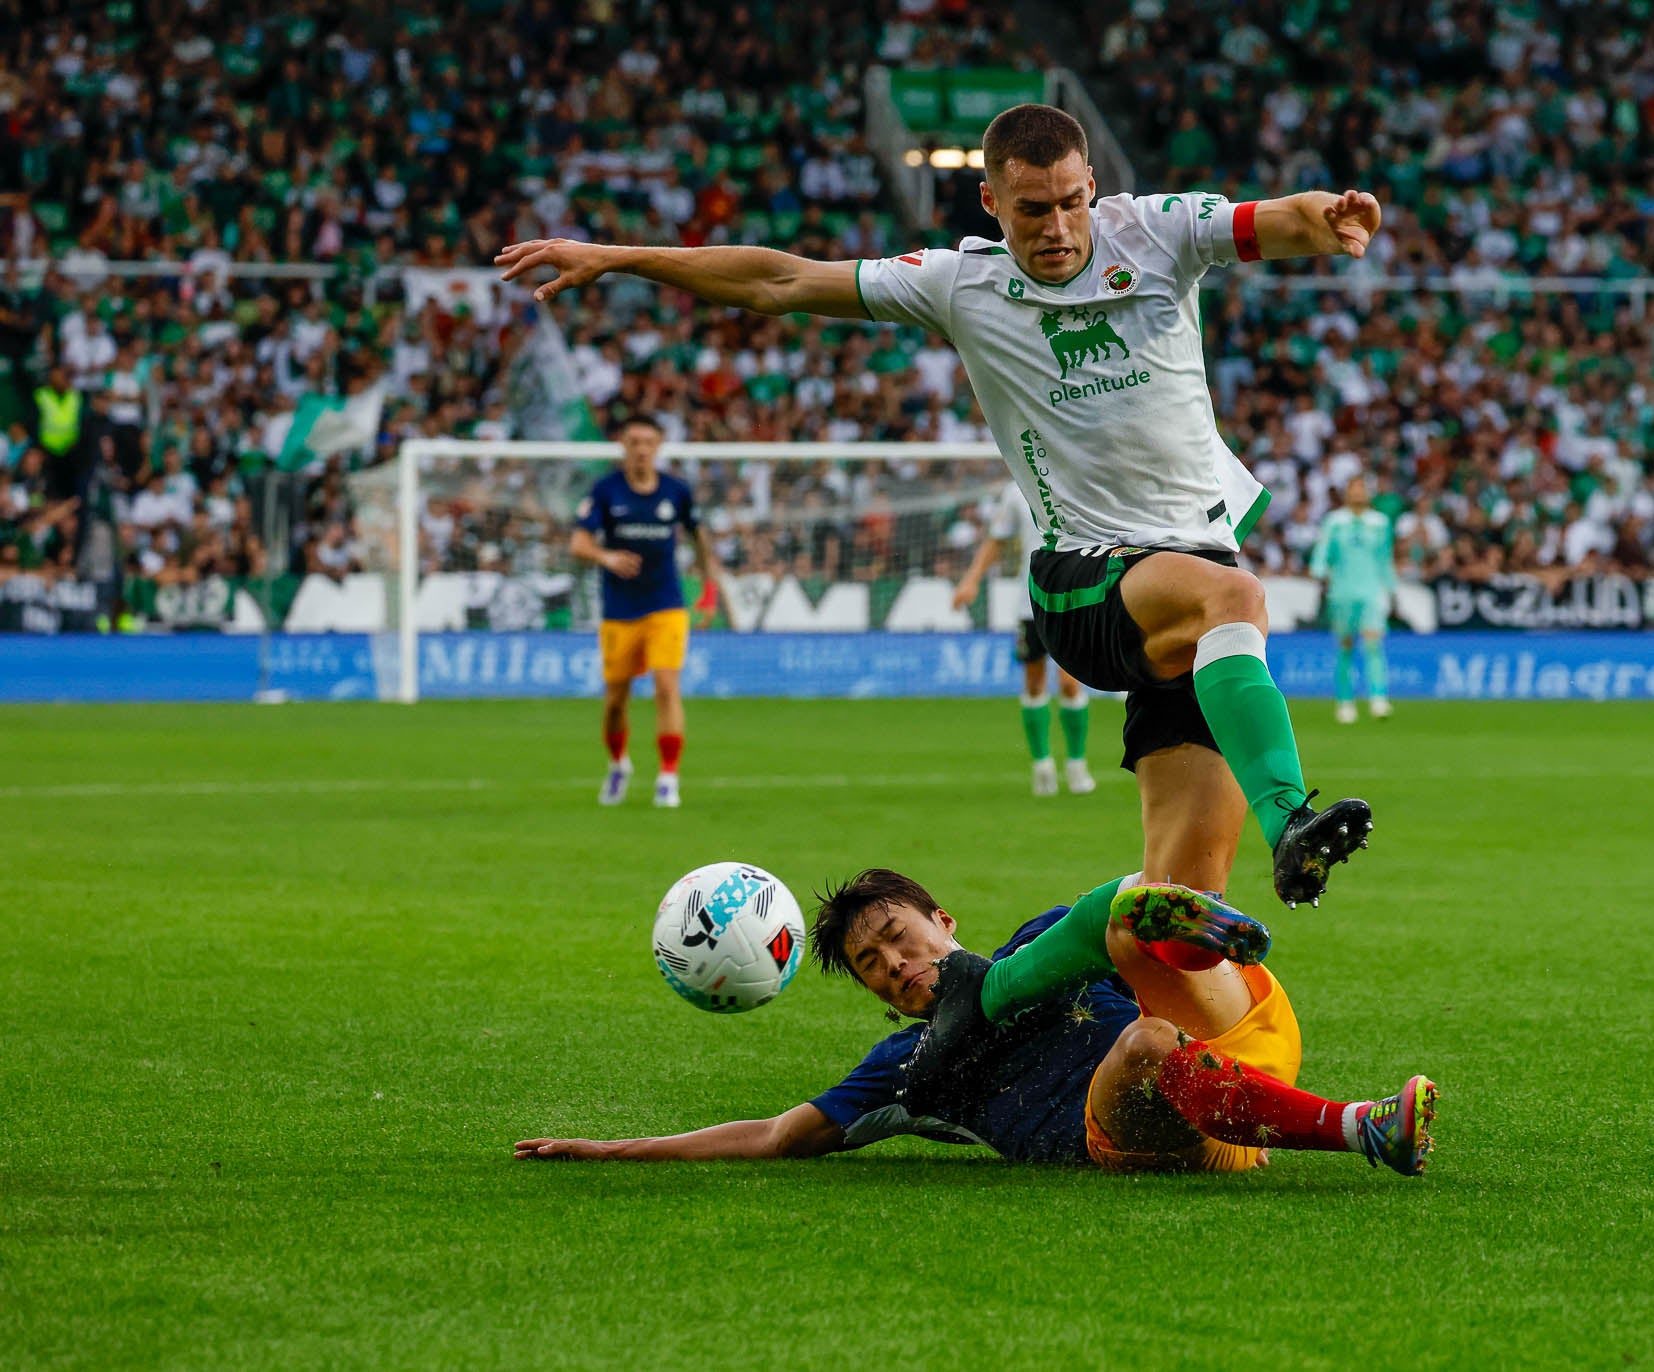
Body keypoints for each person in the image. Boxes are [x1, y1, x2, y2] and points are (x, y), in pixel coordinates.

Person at [499, 104, 1382, 908]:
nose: (1059, 226)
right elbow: (779, 281)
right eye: (1032, 209)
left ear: (1094, 188)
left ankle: (1056, 1020)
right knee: (1238, 598)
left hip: (1188, 591)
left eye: (1072, 202)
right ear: (991, 203)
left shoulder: (1155, 233)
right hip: (1084, 579)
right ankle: (1292, 823)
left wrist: (1331, 217)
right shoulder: (959, 282)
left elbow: (1280, 218)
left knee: (1184, 910)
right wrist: (622, 258)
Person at [514, 869, 1437, 1174]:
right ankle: (1363, 1128)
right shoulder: (906, 1068)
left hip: (1241, 1045)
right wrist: (612, 1150)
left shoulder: (1033, 947)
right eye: (876, 968)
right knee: (1147, 1043)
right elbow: (771, 1135)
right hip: (1127, 1127)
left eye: (899, 938)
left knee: (1122, 933)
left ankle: (1193, 919)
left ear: (942, 923)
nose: (898, 966)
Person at [569, 412, 725, 808]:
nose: (641, 450)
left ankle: (668, 778)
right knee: (616, 699)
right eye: (634, 442)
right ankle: (618, 764)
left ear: (658, 446)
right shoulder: (606, 491)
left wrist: (708, 592)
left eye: (648, 442)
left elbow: (700, 541)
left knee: (666, 687)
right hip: (620, 608)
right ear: (624, 445)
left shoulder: (676, 491)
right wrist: (608, 557)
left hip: (666, 604)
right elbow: (578, 544)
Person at [952, 482, 1095, 797]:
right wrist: (971, 580)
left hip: (1071, 599)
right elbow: (997, 539)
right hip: (1029, 602)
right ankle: (1042, 765)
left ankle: (1076, 763)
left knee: (1071, 682)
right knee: (1033, 682)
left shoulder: (1077, 480)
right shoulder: (1016, 490)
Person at [1310, 475, 1397, 722]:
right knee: (1346, 646)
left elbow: (1384, 557)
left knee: (1373, 643)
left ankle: (1378, 699)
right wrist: (1318, 572)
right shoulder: (1335, 521)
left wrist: (1391, 589)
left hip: (1371, 591)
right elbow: (1323, 550)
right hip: (1342, 591)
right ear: (1347, 493)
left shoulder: (1379, 522)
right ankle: (1345, 702)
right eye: (1354, 488)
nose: (1358, 493)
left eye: (1362, 488)